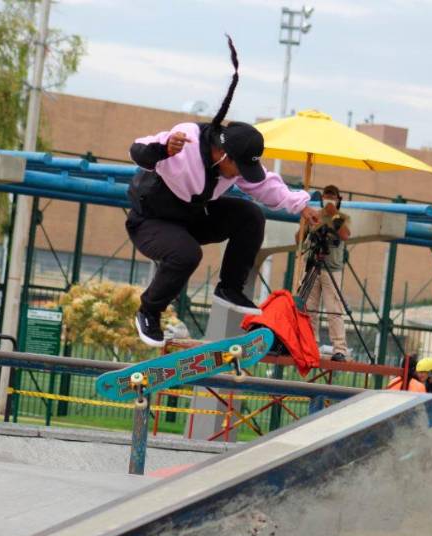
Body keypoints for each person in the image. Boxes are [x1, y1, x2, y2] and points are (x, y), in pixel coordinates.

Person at [126, 36, 320, 347]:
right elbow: (138, 151)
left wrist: (301, 206)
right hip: (151, 221)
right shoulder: (185, 138)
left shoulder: (233, 164)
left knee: (250, 215)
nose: (241, 176)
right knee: (187, 254)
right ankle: (149, 311)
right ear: (223, 154)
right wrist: (164, 149)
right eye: (239, 169)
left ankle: (229, 287)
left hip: (192, 218)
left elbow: (265, 184)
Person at [299, 185, 351, 362]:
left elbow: (345, 234)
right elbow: (298, 240)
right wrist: (304, 224)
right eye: (327, 195)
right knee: (310, 308)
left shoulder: (342, 218)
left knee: (334, 310)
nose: (329, 198)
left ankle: (340, 349)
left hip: (332, 269)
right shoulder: (314, 215)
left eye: (332, 196)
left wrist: (333, 214)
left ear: (338, 199)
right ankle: (311, 344)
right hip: (313, 266)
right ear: (322, 197)